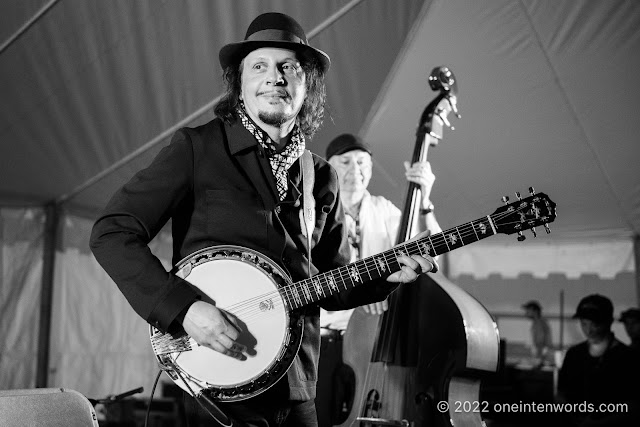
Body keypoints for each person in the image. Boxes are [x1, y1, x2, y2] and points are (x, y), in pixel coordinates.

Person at [89, 12, 438, 427]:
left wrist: (388, 274)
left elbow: (333, 282)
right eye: (260, 66)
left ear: (306, 86)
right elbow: (112, 233)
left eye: (289, 68)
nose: (275, 78)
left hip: (299, 387)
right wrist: (183, 310)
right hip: (218, 387)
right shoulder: (197, 149)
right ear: (240, 83)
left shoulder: (322, 174)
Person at [316, 133, 442, 426]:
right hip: (324, 339)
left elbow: (432, 251)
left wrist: (424, 199)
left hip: (372, 341)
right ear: (328, 167)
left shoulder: (385, 211)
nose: (355, 171)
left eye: (362, 163)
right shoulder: (315, 213)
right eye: (345, 162)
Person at [557, 294, 640, 426]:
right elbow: (561, 393)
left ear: (609, 322)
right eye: (584, 324)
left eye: (595, 324)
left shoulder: (628, 358)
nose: (589, 330)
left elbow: (634, 405)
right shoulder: (574, 355)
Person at [521, 300, 552, 366]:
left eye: (528, 310)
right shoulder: (539, 322)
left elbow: (540, 341)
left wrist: (538, 359)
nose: (526, 312)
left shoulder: (539, 323)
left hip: (540, 358)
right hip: (540, 357)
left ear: (534, 311)